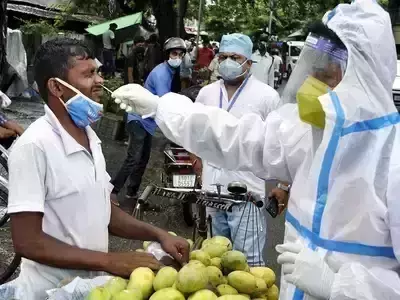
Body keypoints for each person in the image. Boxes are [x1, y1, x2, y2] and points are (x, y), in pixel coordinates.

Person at [111, 1, 400, 299]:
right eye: (314, 73)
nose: (312, 86)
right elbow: (239, 137)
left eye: (326, 77)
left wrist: (340, 286)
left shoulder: (393, 160)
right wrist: (163, 107)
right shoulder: (311, 134)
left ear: (364, 77)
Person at [6, 38, 189, 299]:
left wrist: (159, 234)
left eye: (98, 71)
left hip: (94, 288)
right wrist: (109, 261)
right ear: (57, 87)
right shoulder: (34, 146)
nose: (100, 81)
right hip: (50, 290)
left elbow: (104, 211)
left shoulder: (90, 137)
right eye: (89, 74)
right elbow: (27, 241)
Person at [191, 33, 281, 265]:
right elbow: (193, 133)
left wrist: (283, 186)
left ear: (249, 63)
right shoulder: (206, 93)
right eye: (223, 56)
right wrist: (197, 165)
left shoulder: (267, 97)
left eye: (235, 57)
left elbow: (281, 144)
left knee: (247, 265)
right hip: (212, 193)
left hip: (247, 196)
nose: (228, 61)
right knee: (215, 261)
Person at [110, 37, 186, 205]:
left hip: (148, 121)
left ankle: (132, 192)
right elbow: (164, 102)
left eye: (181, 54)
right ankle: (113, 190)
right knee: (133, 157)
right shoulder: (161, 74)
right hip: (138, 118)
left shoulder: (172, 72)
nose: (178, 57)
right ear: (167, 55)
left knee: (143, 158)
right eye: (174, 53)